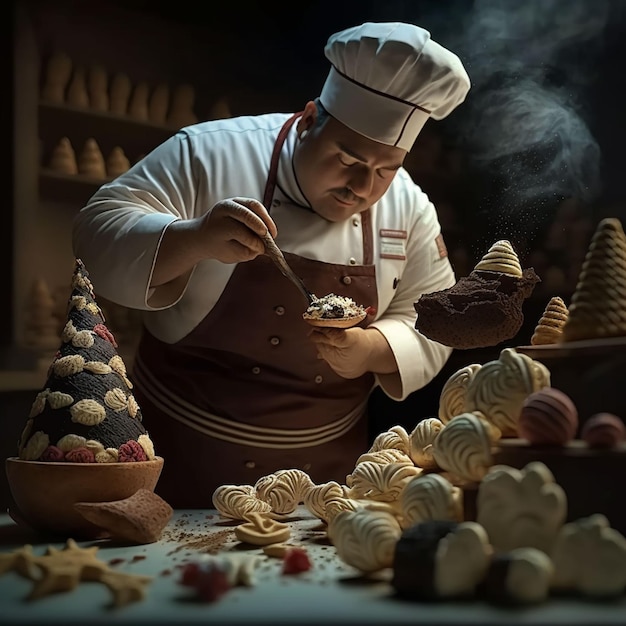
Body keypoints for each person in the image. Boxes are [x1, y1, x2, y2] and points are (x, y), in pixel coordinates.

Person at [72, 22, 471, 507]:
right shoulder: (210, 152)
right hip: (181, 457)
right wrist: (192, 238)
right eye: (347, 158)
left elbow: (436, 318)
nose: (362, 187)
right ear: (308, 120)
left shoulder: (409, 207)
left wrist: (370, 350)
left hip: (329, 479)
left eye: (386, 170)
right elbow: (96, 229)